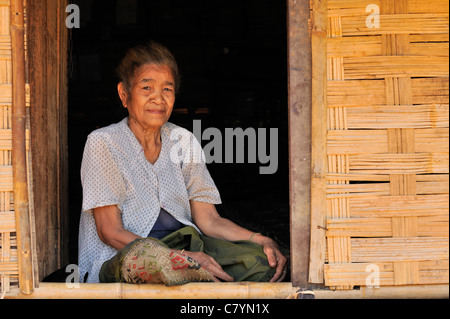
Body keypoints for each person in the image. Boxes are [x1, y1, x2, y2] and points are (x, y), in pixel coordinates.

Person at [78, 41, 287, 285]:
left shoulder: (184, 141)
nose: (158, 98)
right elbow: (109, 231)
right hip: (128, 256)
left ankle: (194, 274)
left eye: (167, 89)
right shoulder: (103, 142)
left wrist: (260, 239)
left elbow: (209, 219)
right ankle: (188, 273)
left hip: (187, 245)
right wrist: (177, 258)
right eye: (147, 87)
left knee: (261, 263)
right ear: (124, 94)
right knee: (157, 264)